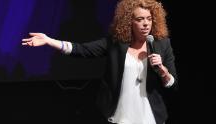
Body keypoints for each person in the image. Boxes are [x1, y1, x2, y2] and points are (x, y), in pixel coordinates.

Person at [22, 0, 178, 123]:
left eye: (149, 19)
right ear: (129, 21)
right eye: (140, 19)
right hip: (121, 114)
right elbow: (81, 49)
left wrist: (163, 71)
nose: (146, 24)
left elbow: (172, 84)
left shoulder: (161, 44)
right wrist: (50, 41)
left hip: (149, 115)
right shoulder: (115, 44)